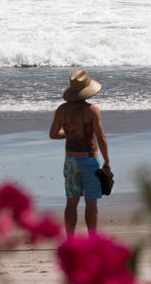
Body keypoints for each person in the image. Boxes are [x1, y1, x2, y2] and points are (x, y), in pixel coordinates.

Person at [49, 69, 111, 236]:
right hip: (89, 159)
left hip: (70, 160)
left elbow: (53, 134)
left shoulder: (62, 110)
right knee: (91, 203)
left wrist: (69, 133)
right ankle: (92, 239)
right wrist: (107, 161)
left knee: (71, 202)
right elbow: (101, 137)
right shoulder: (92, 110)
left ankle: (70, 239)